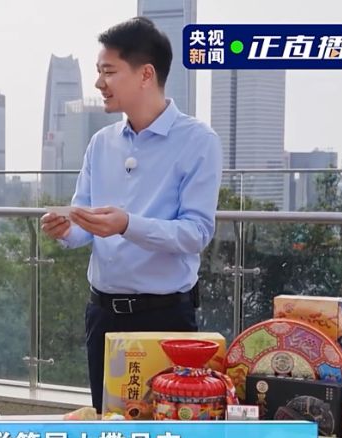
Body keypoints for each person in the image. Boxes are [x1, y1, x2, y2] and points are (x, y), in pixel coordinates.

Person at [41, 17, 222, 412]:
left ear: (145, 75)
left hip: (165, 320)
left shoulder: (198, 141)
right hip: (103, 316)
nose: (99, 83)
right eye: (98, 71)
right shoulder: (101, 143)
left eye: (109, 71)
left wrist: (127, 224)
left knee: (166, 433)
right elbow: (85, 225)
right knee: (106, 429)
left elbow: (196, 233)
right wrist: (66, 229)